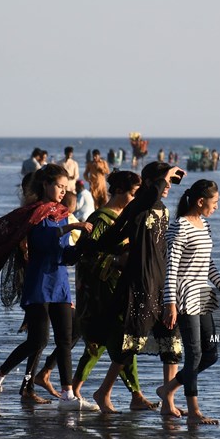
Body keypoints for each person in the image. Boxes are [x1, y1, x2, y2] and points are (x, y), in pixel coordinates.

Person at [0, 164, 93, 410]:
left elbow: (65, 255)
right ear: (46, 184)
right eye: (59, 186)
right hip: (39, 284)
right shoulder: (35, 213)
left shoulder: (62, 213)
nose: (63, 191)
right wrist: (73, 227)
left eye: (66, 187)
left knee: (65, 340)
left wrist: (83, 243)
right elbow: (42, 243)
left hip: (60, 284)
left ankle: (67, 395)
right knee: (37, 341)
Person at [81, 161, 185, 417]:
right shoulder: (139, 207)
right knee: (133, 342)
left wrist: (172, 284)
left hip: (161, 281)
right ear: (150, 184)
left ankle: (169, 400)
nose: (168, 186)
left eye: (170, 182)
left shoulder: (163, 210)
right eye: (165, 181)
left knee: (171, 341)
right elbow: (112, 237)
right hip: (139, 281)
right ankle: (103, 391)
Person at [71, 170, 159, 412]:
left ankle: (75, 388)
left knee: (103, 344)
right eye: (132, 193)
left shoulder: (126, 217)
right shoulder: (101, 219)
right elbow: (86, 255)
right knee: (120, 340)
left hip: (120, 288)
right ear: (119, 191)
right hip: (102, 292)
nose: (134, 199)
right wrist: (117, 261)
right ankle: (128, 394)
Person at [157, 179, 220, 426]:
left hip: (202, 294)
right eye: (214, 203)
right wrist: (170, 304)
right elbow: (170, 269)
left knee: (210, 354)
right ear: (200, 201)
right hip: (183, 295)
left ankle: (168, 388)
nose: (216, 208)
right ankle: (193, 410)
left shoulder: (204, 225)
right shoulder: (179, 228)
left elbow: (207, 263)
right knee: (194, 353)